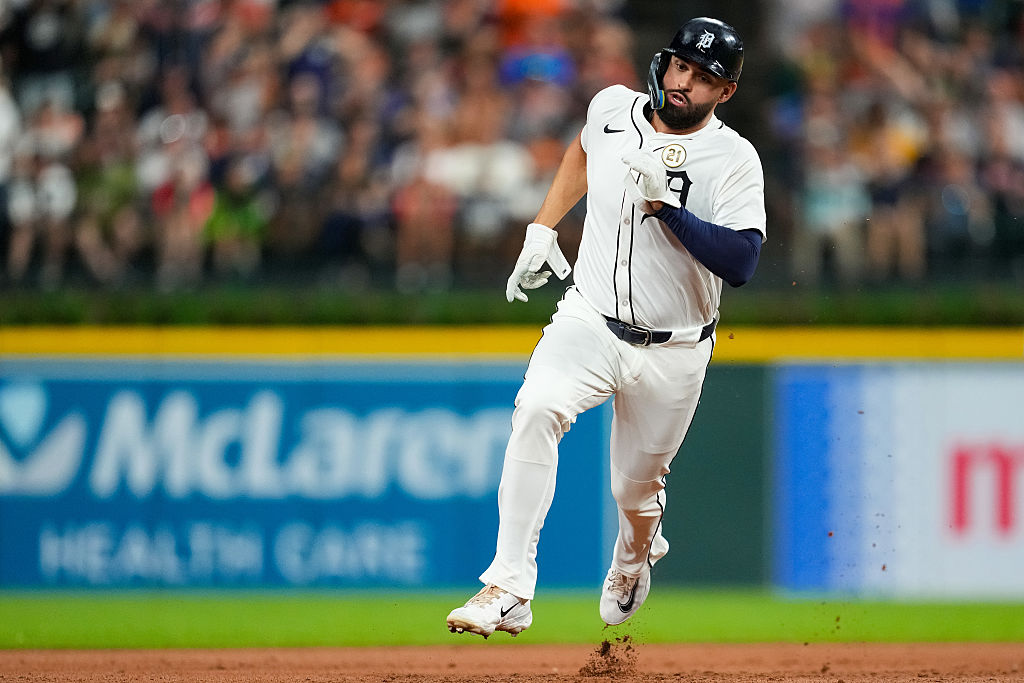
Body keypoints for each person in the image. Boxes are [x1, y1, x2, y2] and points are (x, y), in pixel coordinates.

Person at [445, 17, 766, 638]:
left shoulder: (735, 159)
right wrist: (543, 225)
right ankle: (508, 586)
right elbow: (584, 149)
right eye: (680, 67)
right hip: (589, 317)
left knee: (634, 491)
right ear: (665, 62)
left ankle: (632, 556)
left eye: (703, 78)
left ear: (725, 92)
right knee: (537, 409)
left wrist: (669, 211)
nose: (684, 83)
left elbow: (743, 262)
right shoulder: (613, 107)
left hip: (674, 349)